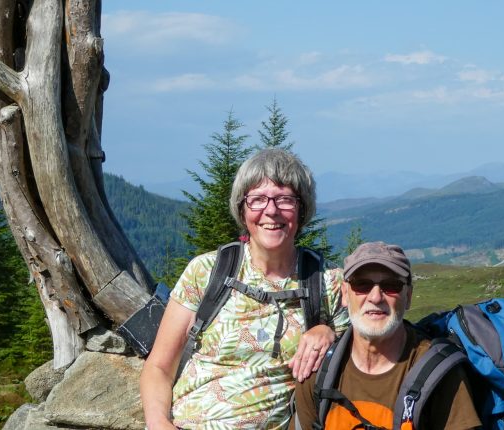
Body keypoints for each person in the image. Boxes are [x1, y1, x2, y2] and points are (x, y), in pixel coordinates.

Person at [141, 148, 349, 429]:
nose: (271, 210)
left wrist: (329, 331)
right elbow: (159, 367)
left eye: (285, 199)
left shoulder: (328, 283)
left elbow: (363, 358)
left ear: (302, 209)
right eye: (258, 199)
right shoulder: (206, 271)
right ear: (242, 209)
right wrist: (158, 423)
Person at [291, 242, 481, 429]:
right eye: (362, 284)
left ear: (408, 297)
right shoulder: (317, 370)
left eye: (391, 285)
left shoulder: (439, 375)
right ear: (345, 294)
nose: (375, 297)